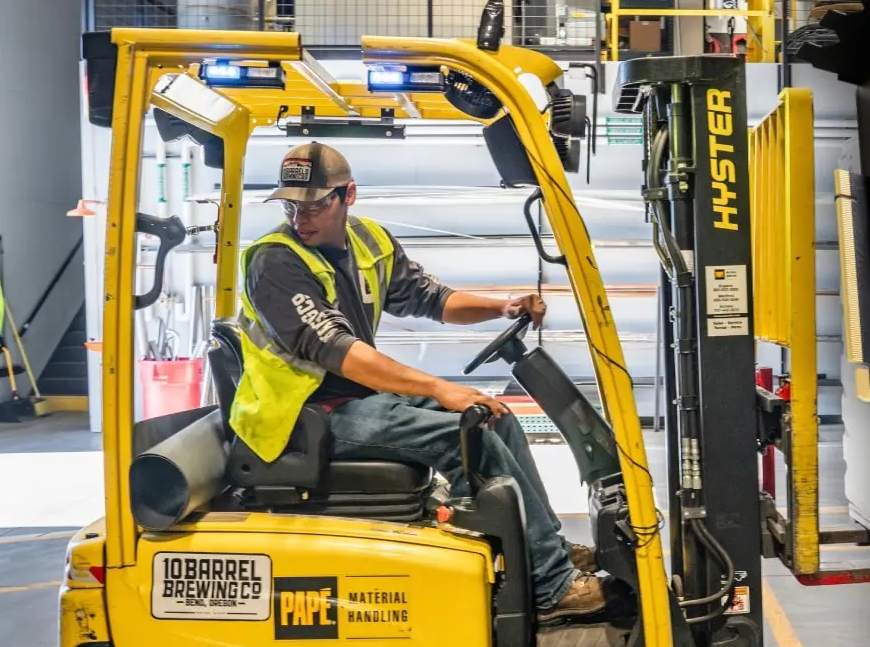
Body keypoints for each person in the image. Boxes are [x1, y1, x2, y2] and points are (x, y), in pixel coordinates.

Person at [228, 141, 607, 622]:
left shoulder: (368, 241)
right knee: (466, 438)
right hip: (301, 418)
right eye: (292, 204)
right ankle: (551, 586)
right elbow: (339, 352)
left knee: (496, 418)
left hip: (351, 400)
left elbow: (432, 298)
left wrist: (500, 307)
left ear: (349, 196)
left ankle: (544, 549)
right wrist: (436, 388)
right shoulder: (275, 262)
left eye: (315, 203)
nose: (301, 216)